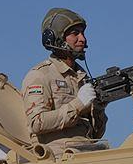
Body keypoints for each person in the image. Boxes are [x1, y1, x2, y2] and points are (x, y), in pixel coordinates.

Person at [22, 8, 107, 155]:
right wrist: (78, 104)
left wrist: (99, 109)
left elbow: (96, 135)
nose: (82, 39)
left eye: (83, 33)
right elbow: (36, 123)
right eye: (75, 33)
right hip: (57, 155)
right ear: (56, 38)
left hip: (86, 151)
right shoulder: (40, 75)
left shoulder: (82, 77)